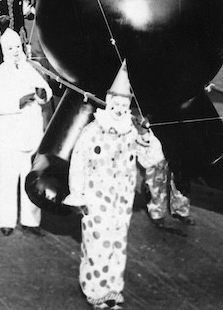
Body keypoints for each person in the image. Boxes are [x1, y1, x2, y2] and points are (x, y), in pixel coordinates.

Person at [67, 62, 162, 310]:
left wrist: (146, 138)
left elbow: (151, 159)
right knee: (98, 245)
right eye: (115, 103)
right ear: (108, 101)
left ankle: (113, 291)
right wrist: (79, 195)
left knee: (118, 244)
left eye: (124, 104)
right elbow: (78, 162)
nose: (120, 109)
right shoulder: (93, 131)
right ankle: (96, 292)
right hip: (97, 199)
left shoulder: (132, 131)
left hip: (123, 199)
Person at [0, 28, 50, 236]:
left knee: (30, 178)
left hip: (31, 134)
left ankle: (31, 221)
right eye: (11, 48)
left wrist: (42, 94)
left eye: (18, 47)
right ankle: (7, 220)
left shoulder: (31, 68)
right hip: (9, 136)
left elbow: (45, 91)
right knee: (7, 178)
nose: (15, 51)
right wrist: (18, 102)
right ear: (4, 50)